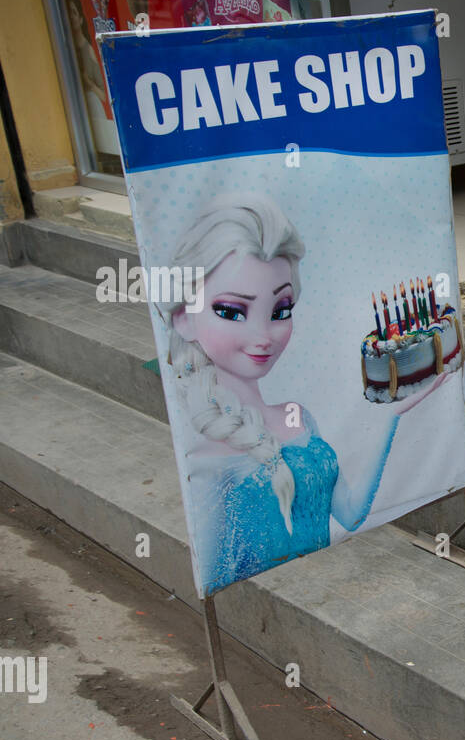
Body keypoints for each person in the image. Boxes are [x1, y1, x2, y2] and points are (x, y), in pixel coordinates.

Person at [162, 194, 443, 594]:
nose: (262, 336)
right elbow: (216, 576)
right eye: (230, 311)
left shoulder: (298, 417)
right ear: (184, 318)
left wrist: (392, 419)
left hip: (327, 596)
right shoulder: (204, 455)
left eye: (280, 310)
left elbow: (348, 513)